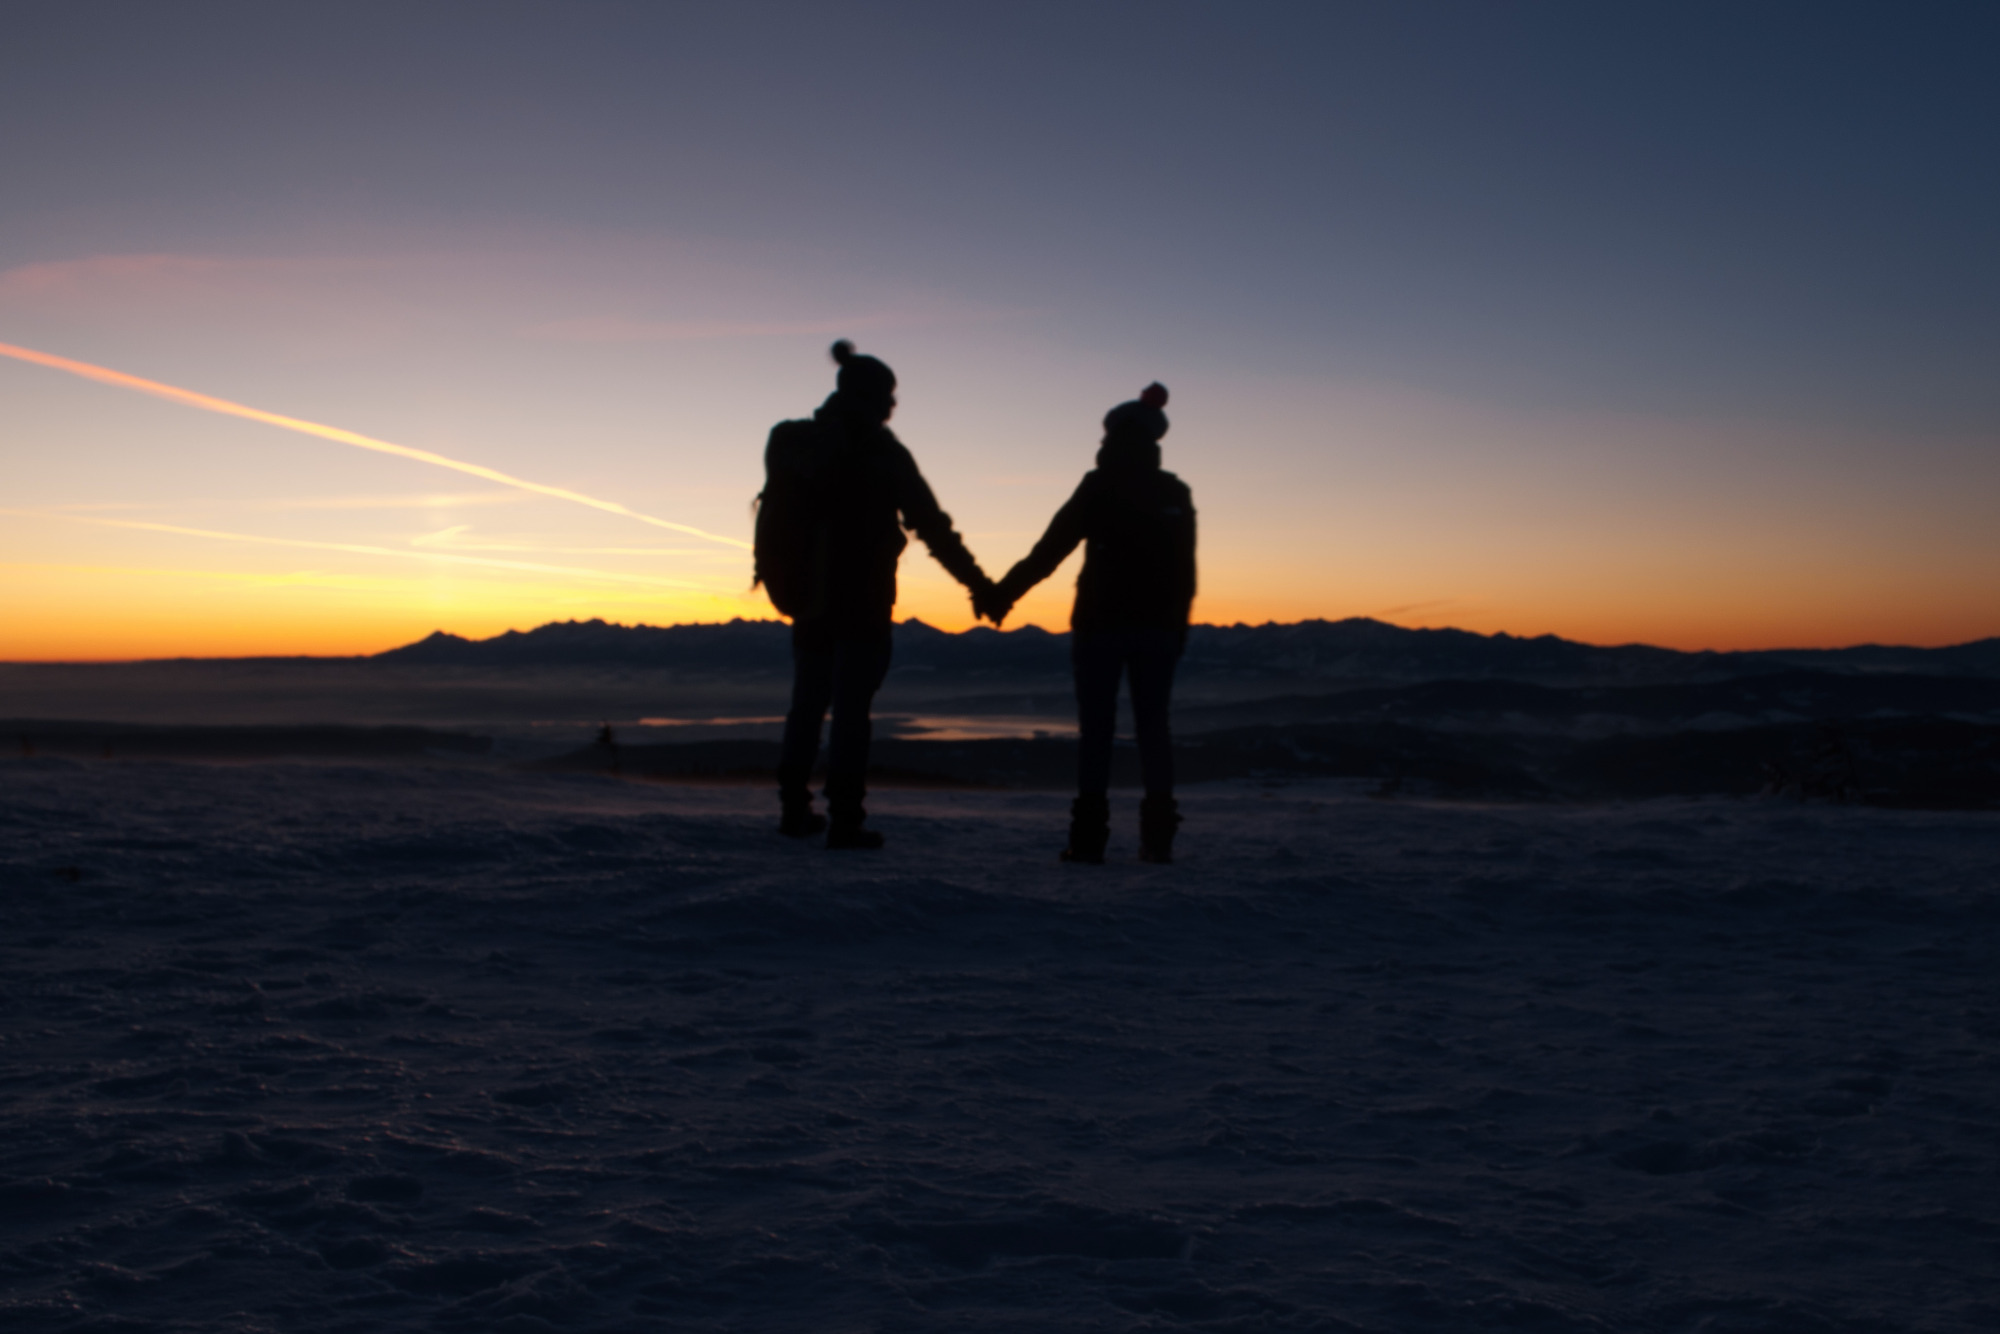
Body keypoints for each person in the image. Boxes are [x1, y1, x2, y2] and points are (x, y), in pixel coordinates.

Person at [755, 340, 992, 849]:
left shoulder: (790, 440)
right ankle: (846, 820)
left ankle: (794, 810)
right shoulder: (884, 454)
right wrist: (978, 584)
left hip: (809, 595)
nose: (893, 406)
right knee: (851, 711)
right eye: (888, 396)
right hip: (864, 598)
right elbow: (932, 527)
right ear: (872, 397)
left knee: (807, 703)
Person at [979, 383, 1196, 863]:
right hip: (1158, 631)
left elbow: (1049, 550)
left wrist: (1002, 595)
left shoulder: (1098, 486)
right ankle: (1158, 840)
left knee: (1096, 730)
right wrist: (1178, 631)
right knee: (1154, 728)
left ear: (1112, 437)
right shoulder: (1174, 492)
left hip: (1100, 626)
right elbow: (1186, 572)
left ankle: (1088, 839)